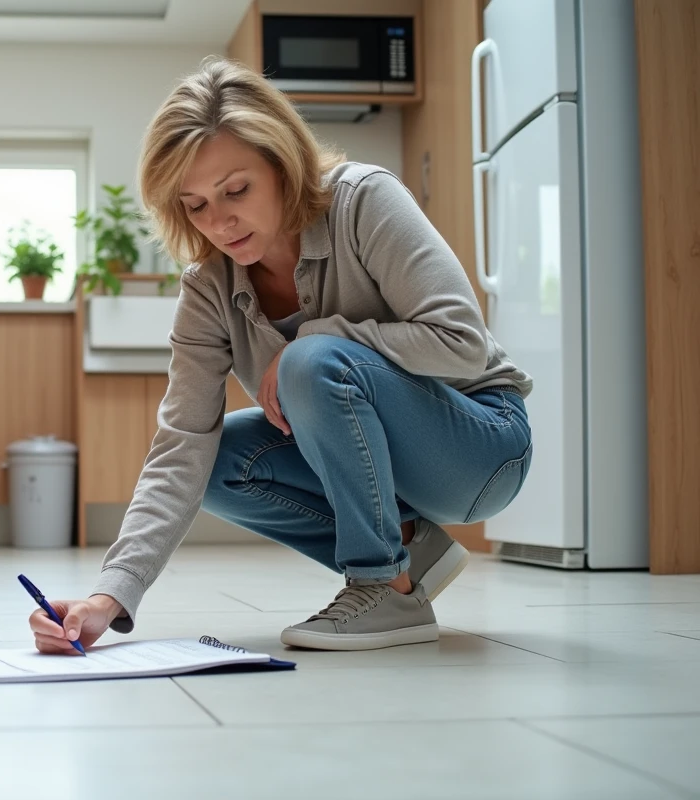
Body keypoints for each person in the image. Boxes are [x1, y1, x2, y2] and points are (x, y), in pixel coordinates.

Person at [29, 57, 534, 653]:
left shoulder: (362, 202)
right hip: (402, 479)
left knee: (310, 360)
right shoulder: (208, 287)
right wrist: (108, 599)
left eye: (235, 190)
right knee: (213, 459)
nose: (219, 222)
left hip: (481, 444)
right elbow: (180, 445)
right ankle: (407, 551)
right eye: (195, 205)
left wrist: (321, 336)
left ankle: (383, 588)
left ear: (282, 163)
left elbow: (463, 342)